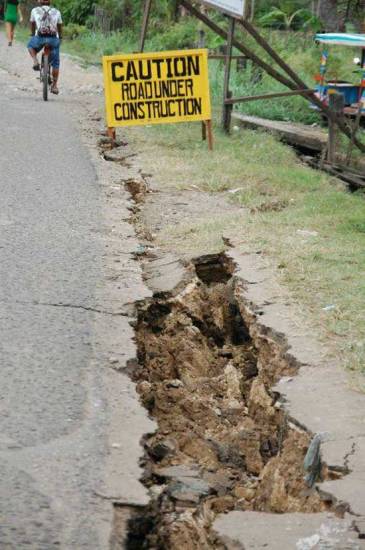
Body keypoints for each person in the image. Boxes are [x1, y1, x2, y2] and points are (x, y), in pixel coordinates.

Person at [27, 0, 62, 94]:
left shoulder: (34, 10)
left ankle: (35, 61)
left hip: (40, 38)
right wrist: (60, 37)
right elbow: (59, 26)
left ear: (40, 2)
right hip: (53, 39)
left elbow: (32, 24)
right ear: (50, 2)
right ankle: (54, 86)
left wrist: (32, 34)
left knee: (30, 45)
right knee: (56, 63)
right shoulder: (57, 11)